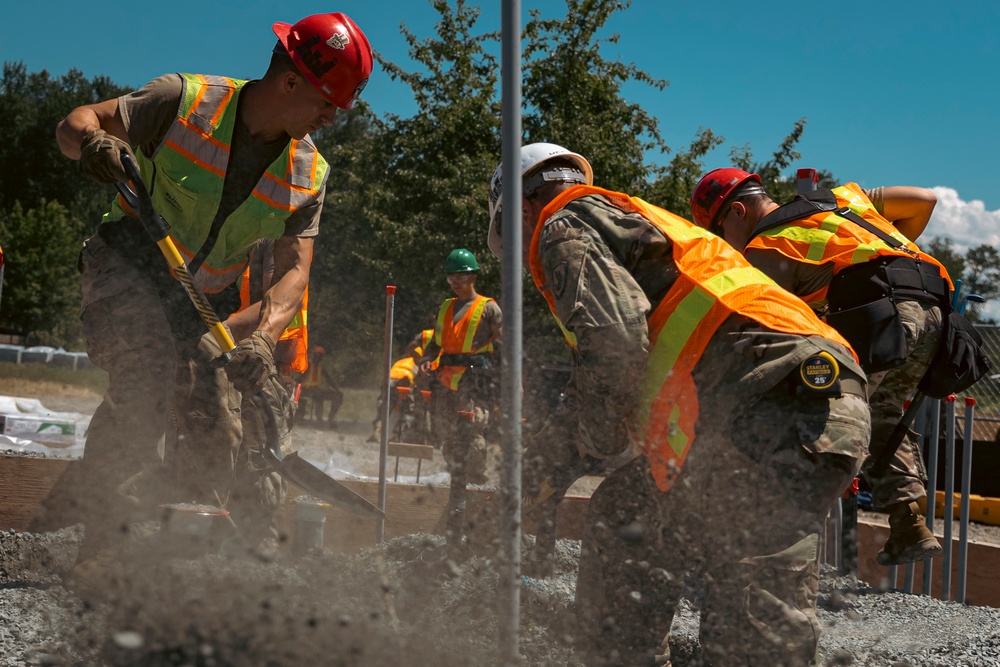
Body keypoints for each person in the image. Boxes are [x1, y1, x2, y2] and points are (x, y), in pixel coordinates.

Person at [487, 143, 870, 666]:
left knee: (748, 616)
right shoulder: (638, 223)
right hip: (798, 397)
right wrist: (550, 459)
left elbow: (614, 343)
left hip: (770, 399)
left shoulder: (562, 223)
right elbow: (603, 370)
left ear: (523, 208)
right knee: (626, 516)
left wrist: (592, 443)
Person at [42, 12, 373, 586]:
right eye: (327, 102)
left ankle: (181, 560)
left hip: (204, 302)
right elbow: (75, 123)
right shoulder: (185, 100)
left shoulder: (309, 172)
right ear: (290, 79)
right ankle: (101, 550)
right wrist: (92, 143)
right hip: (128, 265)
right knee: (145, 379)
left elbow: (294, 273)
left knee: (217, 430)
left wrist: (264, 339)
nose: (330, 118)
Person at [690, 168, 951, 566]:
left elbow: (763, 331)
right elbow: (923, 199)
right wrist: (877, 262)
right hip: (938, 314)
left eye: (721, 232)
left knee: (823, 420)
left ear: (737, 211)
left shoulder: (765, 248)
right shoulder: (843, 198)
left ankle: (784, 546)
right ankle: (909, 523)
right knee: (879, 412)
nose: (728, 245)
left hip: (884, 317)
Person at [419, 249, 502, 549]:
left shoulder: (489, 308)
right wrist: (427, 360)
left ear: (473, 276)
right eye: (452, 275)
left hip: (475, 381)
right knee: (445, 436)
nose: (456, 280)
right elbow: (434, 345)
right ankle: (457, 483)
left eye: (462, 274)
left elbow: (504, 345)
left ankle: (476, 483)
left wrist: (511, 380)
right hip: (445, 381)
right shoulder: (445, 308)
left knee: (472, 433)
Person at [368, 328, 437, 443]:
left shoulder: (402, 360)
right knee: (407, 408)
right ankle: (397, 435)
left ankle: (377, 431)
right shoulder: (418, 364)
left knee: (385, 406)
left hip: (389, 380)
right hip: (405, 380)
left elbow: (411, 346)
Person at [299, 345, 344, 427]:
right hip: (306, 390)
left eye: (320, 356)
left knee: (338, 396)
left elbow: (329, 380)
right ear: (313, 355)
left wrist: (337, 390)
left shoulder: (321, 367)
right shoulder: (307, 365)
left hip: (317, 390)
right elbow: (299, 379)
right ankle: (318, 418)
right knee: (318, 395)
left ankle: (331, 418)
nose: (318, 357)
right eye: (317, 355)